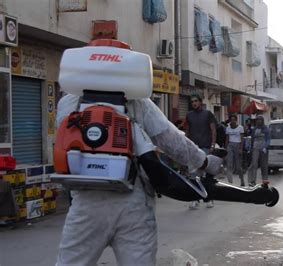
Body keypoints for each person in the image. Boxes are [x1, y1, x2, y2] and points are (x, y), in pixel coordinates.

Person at [55, 41, 223, 265]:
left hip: (85, 203)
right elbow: (172, 141)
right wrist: (205, 162)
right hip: (132, 203)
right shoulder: (139, 104)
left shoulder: (68, 104)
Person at [186, 95, 217, 209]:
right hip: (194, 148)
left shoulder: (208, 114)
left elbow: (213, 130)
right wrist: (186, 145)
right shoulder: (189, 115)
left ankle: (209, 199)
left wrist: (212, 145)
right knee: (193, 174)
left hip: (206, 147)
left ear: (200, 102)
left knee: (205, 174)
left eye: (196, 101)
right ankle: (195, 199)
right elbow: (187, 132)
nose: (194, 103)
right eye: (192, 101)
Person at [248, 116, 270, 186]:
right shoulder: (254, 129)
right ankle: (252, 181)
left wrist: (265, 147)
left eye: (260, 120)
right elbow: (252, 139)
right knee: (254, 164)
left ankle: (265, 181)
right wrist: (251, 148)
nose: (258, 121)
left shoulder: (266, 129)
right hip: (255, 148)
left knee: (264, 165)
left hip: (263, 149)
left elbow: (268, 140)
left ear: (262, 121)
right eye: (257, 120)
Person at [225, 114, 245, 186]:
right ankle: (230, 182)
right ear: (230, 121)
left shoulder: (240, 128)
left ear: (236, 120)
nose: (232, 121)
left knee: (238, 166)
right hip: (230, 145)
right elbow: (227, 139)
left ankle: (242, 180)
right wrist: (226, 148)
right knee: (229, 164)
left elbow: (242, 139)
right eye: (231, 120)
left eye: (234, 120)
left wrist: (241, 148)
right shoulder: (227, 128)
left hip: (238, 145)